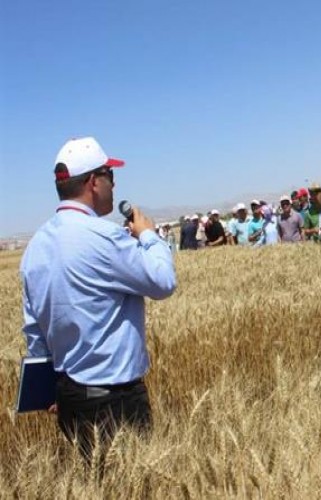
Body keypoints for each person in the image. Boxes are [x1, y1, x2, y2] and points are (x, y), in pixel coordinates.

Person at [21, 137, 176, 465]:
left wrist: (47, 388)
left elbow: (35, 330)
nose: (114, 184)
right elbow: (162, 282)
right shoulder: (105, 238)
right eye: (110, 175)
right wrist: (148, 235)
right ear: (93, 182)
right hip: (115, 402)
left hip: (69, 398)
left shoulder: (36, 246)